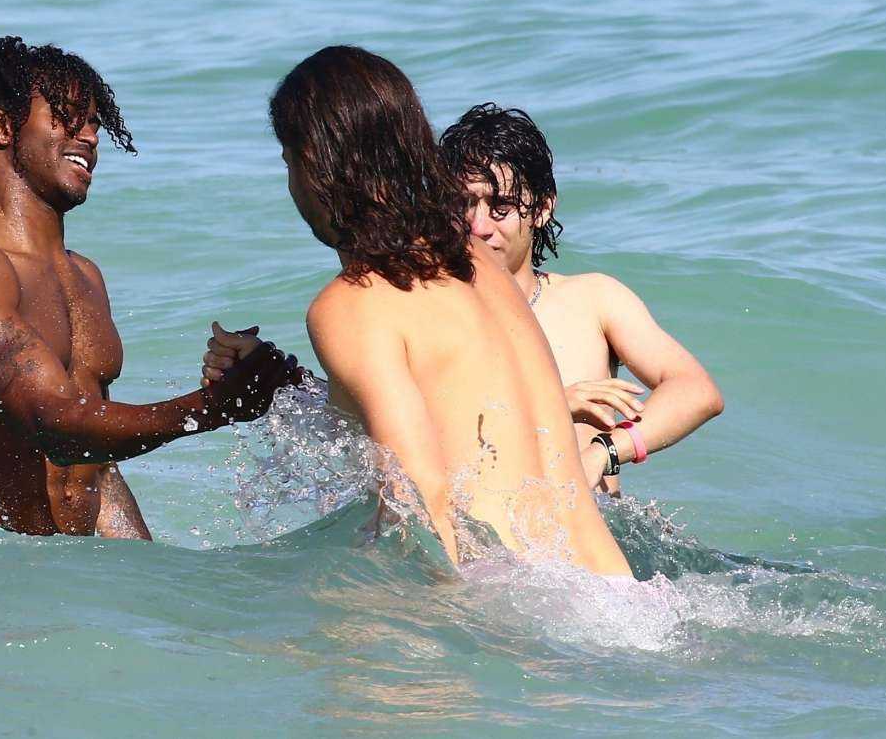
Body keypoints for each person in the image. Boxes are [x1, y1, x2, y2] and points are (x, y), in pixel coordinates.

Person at [203, 47, 631, 575]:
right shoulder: (477, 260)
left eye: (288, 162)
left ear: (314, 163)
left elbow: (421, 504)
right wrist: (285, 385)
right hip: (618, 590)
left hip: (520, 601)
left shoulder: (350, 303)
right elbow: (464, 424)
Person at [0, 36, 294, 537]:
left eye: (93, 123)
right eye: (67, 118)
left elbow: (95, 462)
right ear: (0, 127)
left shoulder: (84, 274)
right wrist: (210, 408)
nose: (88, 136)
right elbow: (56, 424)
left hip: (65, 557)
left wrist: (143, 565)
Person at [438, 104, 723, 493]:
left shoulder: (593, 300)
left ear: (541, 208)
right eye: (464, 205)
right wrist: (556, 407)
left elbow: (697, 391)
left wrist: (604, 453)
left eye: (500, 207)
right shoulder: (431, 312)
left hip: (601, 519)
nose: (478, 226)